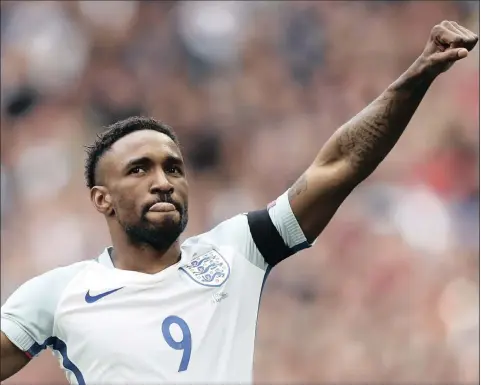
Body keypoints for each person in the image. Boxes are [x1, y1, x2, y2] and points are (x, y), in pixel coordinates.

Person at [1, 21, 477, 384]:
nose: (164, 181)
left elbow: (338, 166)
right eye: (139, 169)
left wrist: (415, 77)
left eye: (174, 167)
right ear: (101, 199)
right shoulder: (59, 294)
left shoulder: (234, 252)